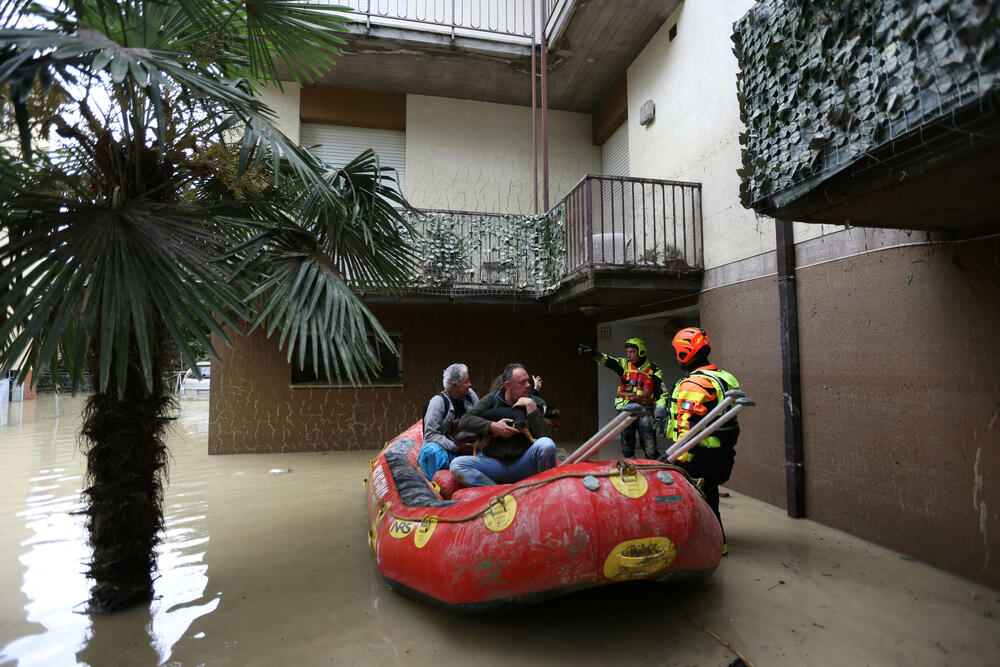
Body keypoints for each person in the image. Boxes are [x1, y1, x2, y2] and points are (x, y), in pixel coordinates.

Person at [658, 326, 741, 554]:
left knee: (691, 501)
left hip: (697, 457)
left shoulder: (694, 385)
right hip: (721, 453)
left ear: (685, 352)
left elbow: (689, 431)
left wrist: (676, 461)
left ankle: (703, 546)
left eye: (677, 352)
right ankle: (717, 543)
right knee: (710, 498)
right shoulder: (724, 377)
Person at [450, 363, 557, 487]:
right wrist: (492, 426)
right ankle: (497, 492)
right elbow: (465, 421)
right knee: (457, 464)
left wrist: (532, 409)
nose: (528, 385)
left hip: (524, 462)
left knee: (547, 444)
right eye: (522, 382)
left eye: (528, 381)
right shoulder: (492, 399)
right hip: (495, 464)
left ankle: (545, 489)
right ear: (508, 385)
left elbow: (545, 436)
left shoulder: (535, 401)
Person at [577, 336, 665, 459]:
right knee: (626, 447)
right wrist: (594, 354)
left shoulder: (654, 369)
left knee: (650, 448)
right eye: (627, 352)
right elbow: (608, 361)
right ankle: (630, 466)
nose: (628, 355)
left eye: (632, 352)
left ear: (641, 352)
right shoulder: (624, 364)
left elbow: (661, 393)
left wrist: (659, 414)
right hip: (626, 411)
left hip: (645, 411)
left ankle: (655, 466)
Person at [418, 363, 479, 479]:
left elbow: (481, 419)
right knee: (432, 451)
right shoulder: (438, 402)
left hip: (471, 447)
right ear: (455, 386)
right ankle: (437, 481)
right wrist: (456, 448)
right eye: (466, 382)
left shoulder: (471, 395)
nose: (470, 384)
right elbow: (430, 435)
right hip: (447, 449)